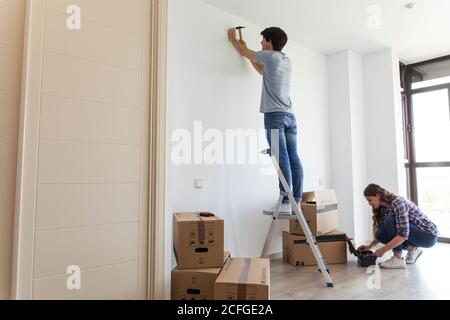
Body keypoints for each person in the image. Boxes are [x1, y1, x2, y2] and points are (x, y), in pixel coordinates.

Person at [227, 27, 303, 214]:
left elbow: (245, 52)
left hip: (275, 116)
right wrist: (246, 52)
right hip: (289, 116)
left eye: (262, 40)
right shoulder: (285, 60)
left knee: (281, 157)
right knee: (293, 157)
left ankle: (285, 201)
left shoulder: (270, 56)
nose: (260, 43)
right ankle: (296, 201)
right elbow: (262, 71)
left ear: (269, 41)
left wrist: (233, 40)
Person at [359, 183, 439, 269]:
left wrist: (383, 250)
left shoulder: (397, 203)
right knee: (380, 234)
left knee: (390, 220)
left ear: (378, 196)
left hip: (428, 236)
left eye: (370, 200)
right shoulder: (383, 207)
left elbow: (403, 234)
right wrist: (369, 246)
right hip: (414, 235)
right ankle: (412, 249)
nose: (369, 203)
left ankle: (398, 259)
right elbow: (386, 232)